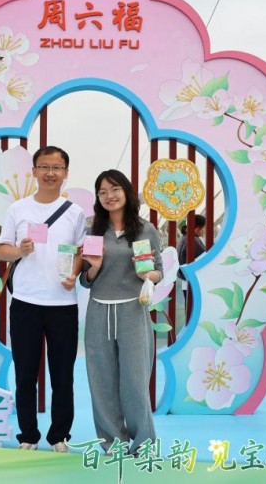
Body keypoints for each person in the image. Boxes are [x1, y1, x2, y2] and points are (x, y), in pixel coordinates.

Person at [0, 145, 86, 453]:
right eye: (44, 167)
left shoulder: (74, 213)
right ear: (34, 171)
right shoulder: (18, 209)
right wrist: (19, 250)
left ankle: (59, 435)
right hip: (26, 303)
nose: (50, 173)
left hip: (63, 304)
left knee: (62, 376)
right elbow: (2, 250)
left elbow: (81, 252)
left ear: (65, 173)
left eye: (57, 168)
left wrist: (74, 273)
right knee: (25, 374)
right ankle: (28, 435)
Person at [80, 169, 162, 455]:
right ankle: (112, 442)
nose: (109, 196)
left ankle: (143, 443)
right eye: (102, 192)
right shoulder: (93, 231)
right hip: (99, 311)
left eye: (114, 189)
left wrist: (148, 274)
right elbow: (85, 280)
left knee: (135, 381)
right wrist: (94, 267)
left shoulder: (145, 229)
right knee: (101, 380)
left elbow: (158, 271)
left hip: (132, 310)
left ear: (126, 191)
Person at [176, 214, 207, 301]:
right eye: (203, 228)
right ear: (197, 228)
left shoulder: (184, 238)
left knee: (189, 306)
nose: (204, 230)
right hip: (192, 281)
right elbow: (204, 258)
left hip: (185, 279)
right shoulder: (193, 240)